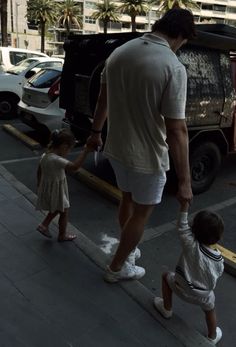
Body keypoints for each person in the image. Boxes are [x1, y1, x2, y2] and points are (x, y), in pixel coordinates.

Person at [86, 9, 195, 282]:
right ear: (181, 35)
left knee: (126, 199)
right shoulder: (172, 66)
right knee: (142, 213)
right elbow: (177, 129)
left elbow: (102, 101)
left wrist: (96, 132)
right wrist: (185, 181)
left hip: (117, 147)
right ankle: (117, 267)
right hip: (148, 157)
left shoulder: (120, 53)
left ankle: (127, 251)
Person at [153, 203, 224, 345]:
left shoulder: (190, 244)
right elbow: (217, 276)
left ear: (194, 230)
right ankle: (212, 336)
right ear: (218, 237)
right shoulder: (219, 259)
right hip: (202, 297)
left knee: (166, 276)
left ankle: (166, 308)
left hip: (178, 286)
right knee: (210, 309)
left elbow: (181, 225)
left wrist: (184, 205)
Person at [36, 129, 91, 241]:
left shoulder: (45, 155)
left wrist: (39, 184)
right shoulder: (56, 159)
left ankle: (45, 225)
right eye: (69, 149)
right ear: (63, 146)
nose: (68, 152)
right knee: (64, 211)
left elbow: (39, 170)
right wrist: (85, 151)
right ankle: (60, 234)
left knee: (60, 209)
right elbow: (74, 167)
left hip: (50, 187)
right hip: (56, 190)